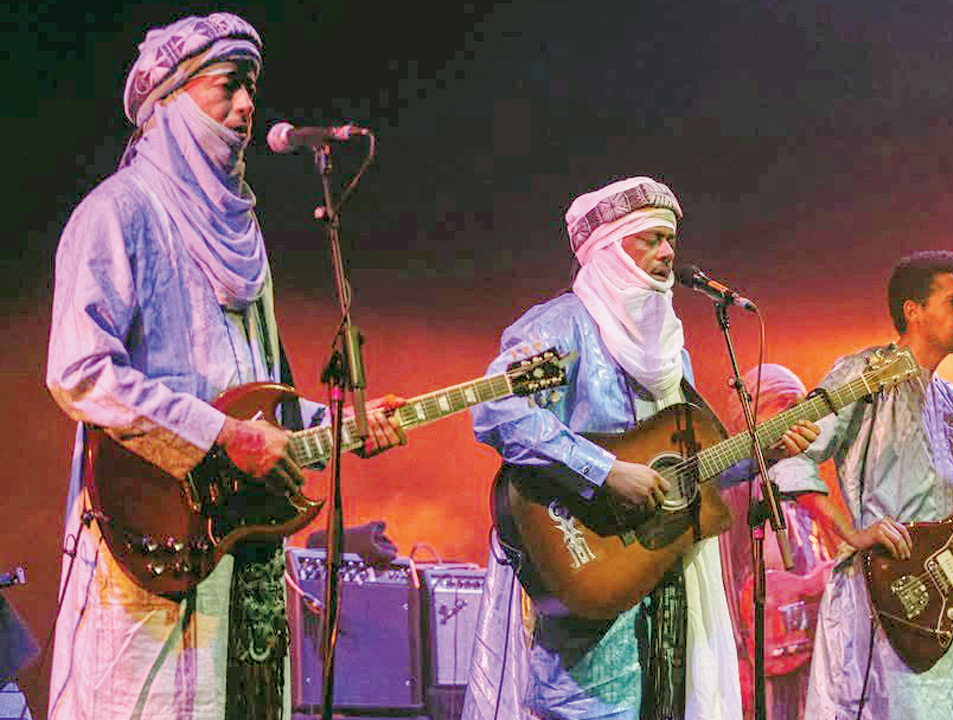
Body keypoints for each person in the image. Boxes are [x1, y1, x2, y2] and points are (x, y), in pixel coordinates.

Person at [44, 13, 405, 720]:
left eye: (252, 89)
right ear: (173, 100)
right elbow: (79, 369)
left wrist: (336, 424)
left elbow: (262, 401)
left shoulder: (247, 235)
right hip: (152, 535)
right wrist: (216, 434)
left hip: (245, 544)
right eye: (228, 87)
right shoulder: (117, 214)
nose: (248, 107)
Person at [467, 176, 818, 720]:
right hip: (585, 576)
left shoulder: (672, 352)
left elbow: (686, 473)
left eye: (671, 239)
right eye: (650, 239)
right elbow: (495, 411)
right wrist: (604, 471)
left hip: (660, 584)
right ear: (609, 249)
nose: (668, 252)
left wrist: (762, 455)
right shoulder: (560, 327)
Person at [770, 250, 953, 720]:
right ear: (912, 310)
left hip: (950, 603)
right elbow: (793, 458)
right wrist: (851, 535)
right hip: (888, 595)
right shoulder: (864, 374)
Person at [717, 364, 838, 720]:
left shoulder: (801, 484)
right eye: (787, 406)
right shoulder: (736, 489)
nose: (799, 418)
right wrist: (736, 658)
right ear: (753, 416)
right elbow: (724, 580)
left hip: (805, 660)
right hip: (760, 669)